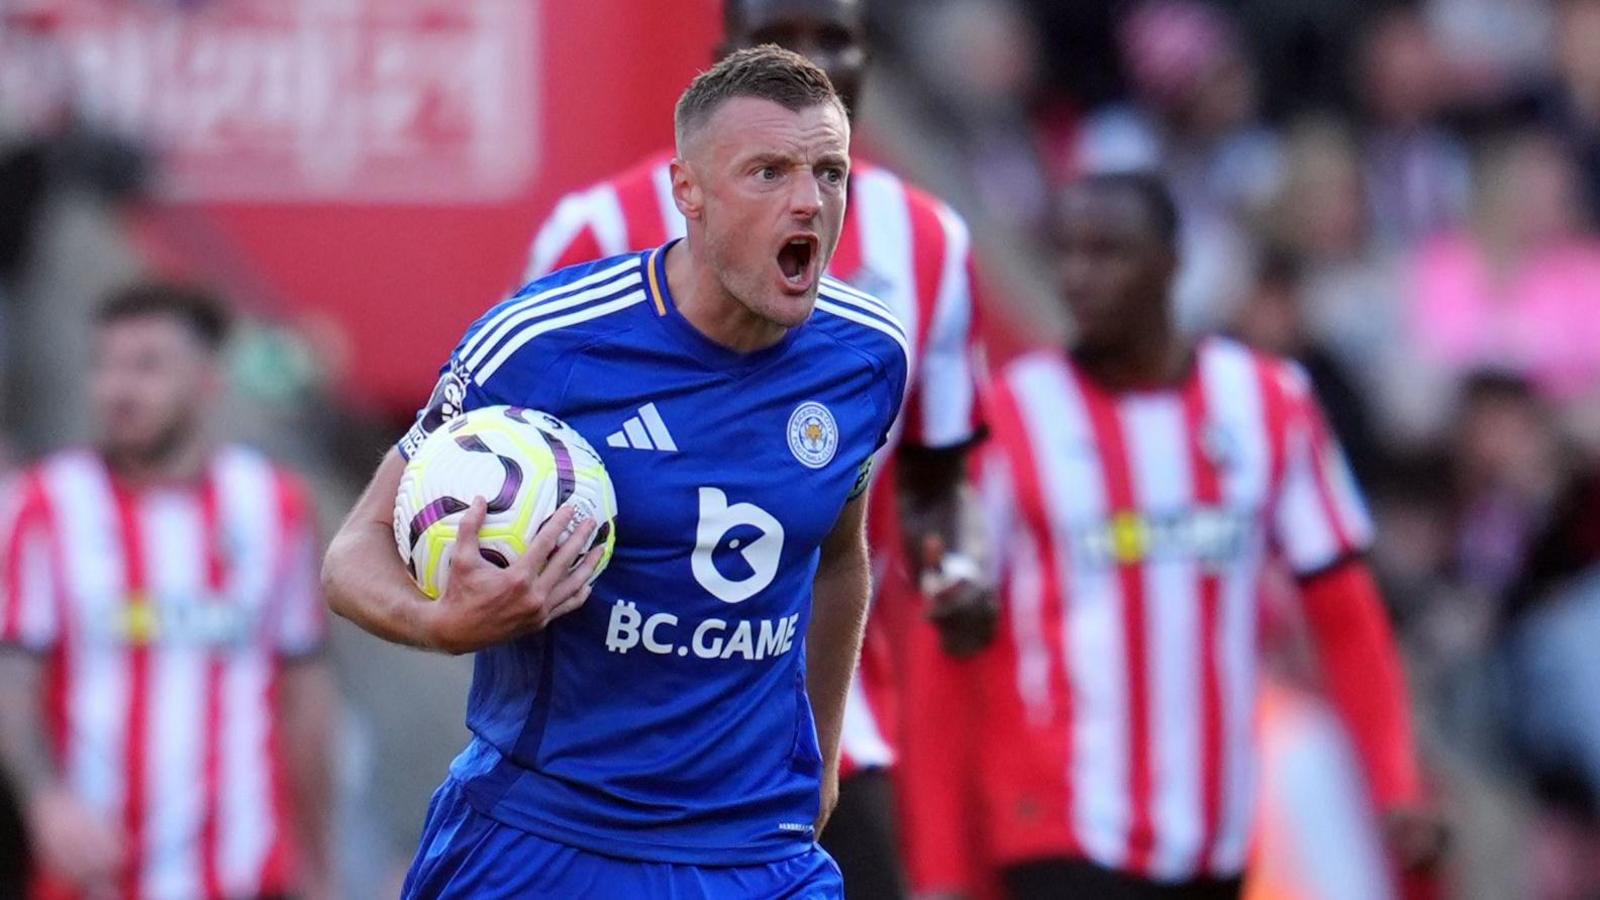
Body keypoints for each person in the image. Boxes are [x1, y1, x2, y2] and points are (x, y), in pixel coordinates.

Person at [322, 46, 906, 898]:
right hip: (546, 838)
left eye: (830, 172)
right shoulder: (545, 346)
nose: (809, 201)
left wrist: (821, 753)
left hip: (756, 849)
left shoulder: (867, 357)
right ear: (688, 193)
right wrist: (439, 623)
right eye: (769, 172)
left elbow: (840, 556)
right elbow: (353, 552)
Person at [522, 3, 990, 896]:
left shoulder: (929, 247)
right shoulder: (595, 232)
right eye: (780, 38)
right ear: (720, 60)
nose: (810, 63)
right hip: (615, 741)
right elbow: (518, 467)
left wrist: (958, 557)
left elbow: (938, 475)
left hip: (824, 723)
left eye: (835, 41)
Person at [962, 173, 1439, 899]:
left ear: (1171, 263)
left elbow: (1346, 616)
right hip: (1060, 819)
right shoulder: (1010, 416)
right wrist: (945, 860)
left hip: (1211, 834)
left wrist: (1394, 779)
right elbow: (954, 648)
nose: (1078, 277)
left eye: (1109, 253)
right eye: (1066, 253)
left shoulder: (1269, 405)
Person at [0, 281, 336, 900]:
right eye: (105, 366)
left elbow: (304, 694)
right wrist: (45, 800)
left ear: (208, 380)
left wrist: (319, 861)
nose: (118, 388)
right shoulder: (43, 505)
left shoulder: (274, 506)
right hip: (93, 879)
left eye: (148, 365)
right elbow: (11, 682)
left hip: (244, 875)